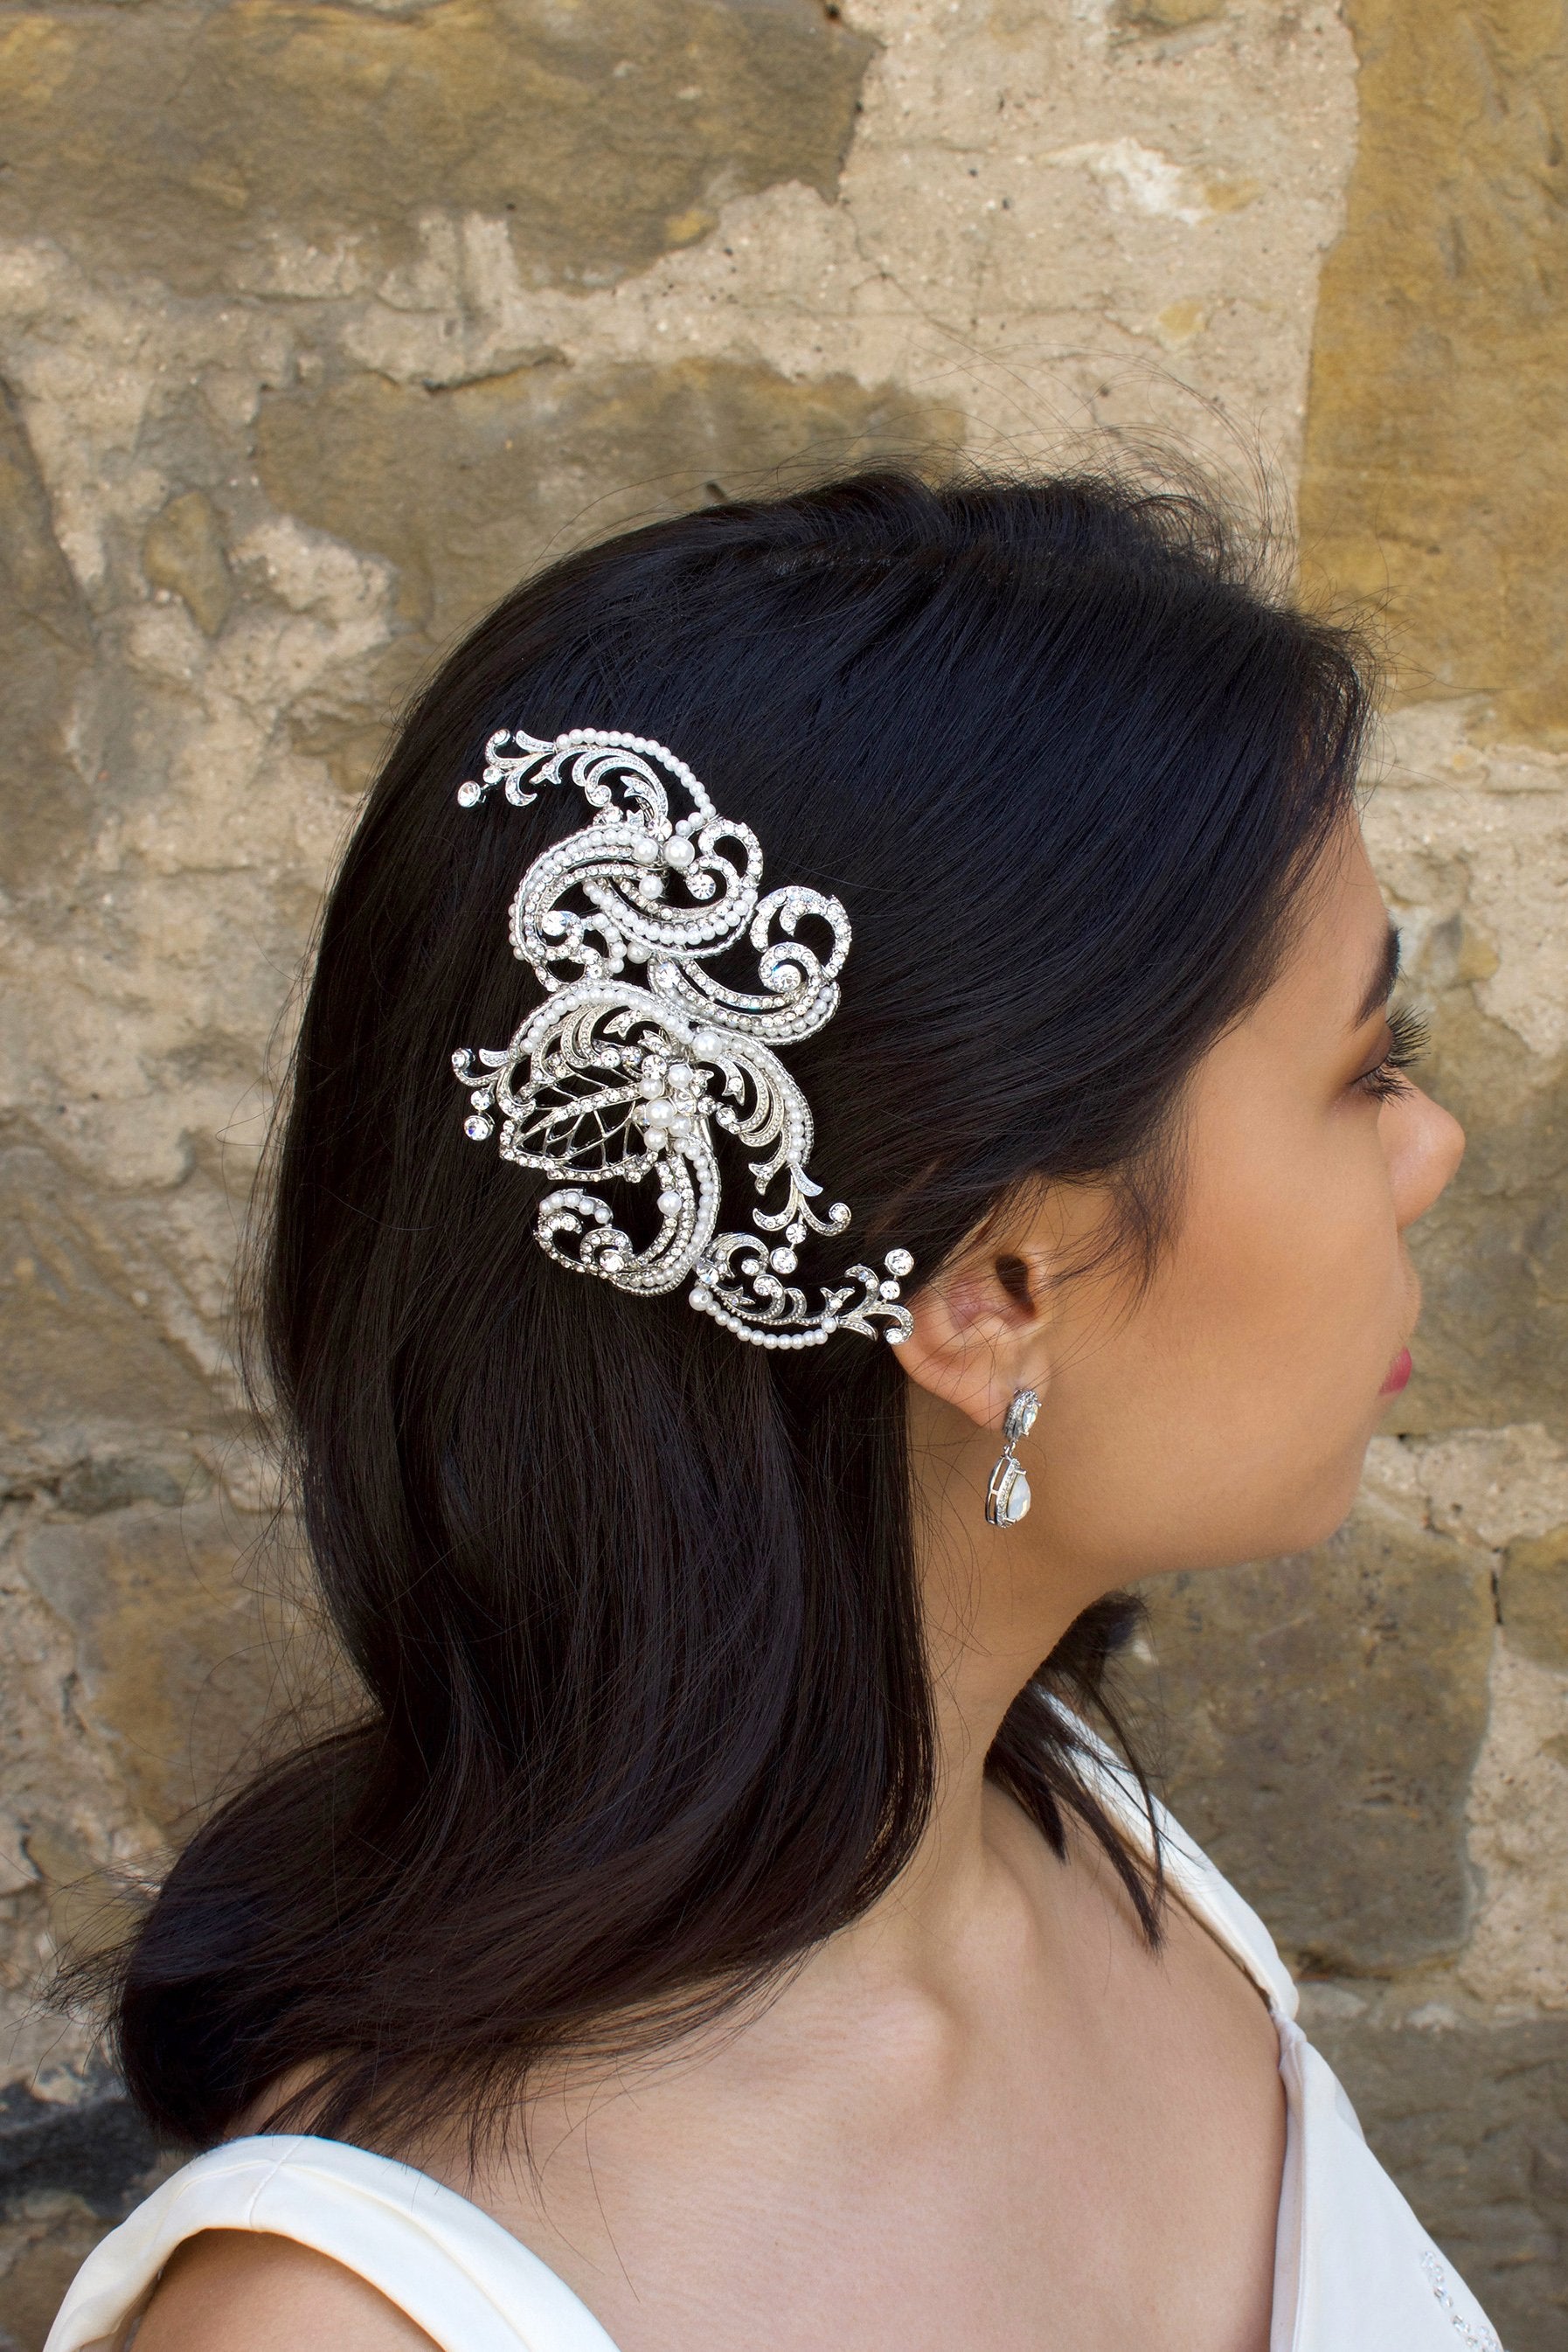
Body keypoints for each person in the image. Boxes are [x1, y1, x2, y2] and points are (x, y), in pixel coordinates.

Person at [48, 466, 1498, 2352]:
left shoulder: (1100, 1850)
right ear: (991, 1292)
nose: (1431, 1145)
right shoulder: (346, 2331)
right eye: (1368, 1067)